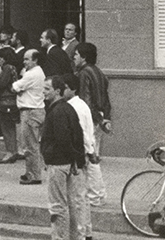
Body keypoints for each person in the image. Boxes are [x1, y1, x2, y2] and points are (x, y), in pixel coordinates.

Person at [40, 76, 87, 240]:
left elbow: (63, 138)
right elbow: (77, 136)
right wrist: (76, 160)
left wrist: (49, 155)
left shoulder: (57, 111)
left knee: (57, 206)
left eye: (47, 89)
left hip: (58, 163)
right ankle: (75, 237)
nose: (44, 92)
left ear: (57, 91)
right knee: (70, 204)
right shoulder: (67, 108)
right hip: (67, 163)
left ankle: (60, 237)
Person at [73, 42, 111, 208]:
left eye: (75, 55)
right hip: (99, 118)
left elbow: (85, 101)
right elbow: (106, 100)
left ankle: (95, 196)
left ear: (83, 57)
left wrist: (96, 119)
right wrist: (105, 119)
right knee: (94, 156)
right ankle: (100, 194)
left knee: (90, 158)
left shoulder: (83, 74)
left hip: (89, 119)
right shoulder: (99, 72)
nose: (73, 57)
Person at [62, 73, 98, 240]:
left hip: (78, 155)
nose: (62, 91)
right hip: (84, 152)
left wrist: (85, 152)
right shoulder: (81, 104)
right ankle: (86, 230)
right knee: (82, 197)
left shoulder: (73, 107)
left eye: (65, 88)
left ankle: (81, 233)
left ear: (73, 89)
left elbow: (81, 133)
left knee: (77, 197)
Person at [13, 49, 47, 185]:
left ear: (35, 60)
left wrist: (19, 86)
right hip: (37, 109)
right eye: (24, 59)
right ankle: (31, 172)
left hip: (30, 111)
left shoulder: (31, 75)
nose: (24, 62)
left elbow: (15, 87)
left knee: (30, 145)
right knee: (32, 144)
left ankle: (34, 175)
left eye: (27, 59)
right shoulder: (38, 72)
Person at [0, 48, 22, 164]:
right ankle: (14, 151)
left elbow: (1, 84)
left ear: (4, 58)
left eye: (0, 57)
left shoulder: (6, 68)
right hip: (13, 101)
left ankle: (10, 152)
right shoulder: (13, 68)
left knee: (6, 128)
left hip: (5, 101)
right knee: (11, 127)